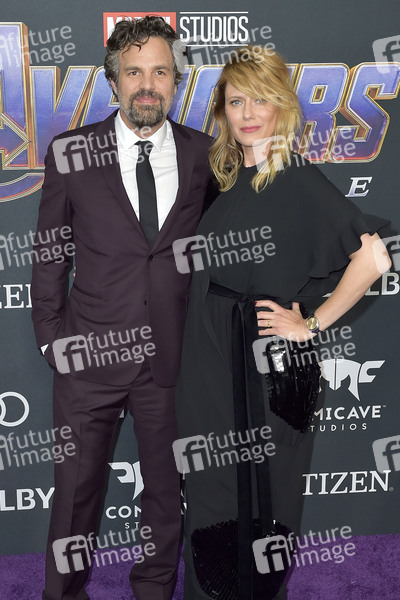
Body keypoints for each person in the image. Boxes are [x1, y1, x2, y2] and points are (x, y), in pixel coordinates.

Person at [174, 46, 390, 600]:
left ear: (282, 108)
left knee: (265, 496)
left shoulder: (295, 178)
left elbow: (374, 259)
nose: (247, 113)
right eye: (235, 101)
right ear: (222, 110)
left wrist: (311, 325)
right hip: (212, 360)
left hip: (267, 368)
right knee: (214, 494)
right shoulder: (227, 179)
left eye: (260, 100)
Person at [31, 16, 216, 600]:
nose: (147, 85)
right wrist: (52, 338)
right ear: (113, 82)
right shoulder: (70, 152)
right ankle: (63, 593)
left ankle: (154, 589)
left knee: (166, 494)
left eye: (160, 72)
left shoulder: (205, 154)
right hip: (88, 355)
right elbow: (50, 253)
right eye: (134, 72)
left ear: (175, 81)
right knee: (75, 494)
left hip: (173, 360)